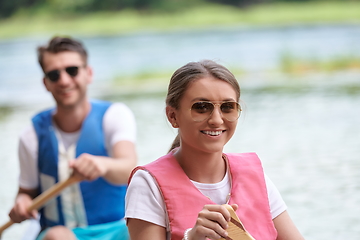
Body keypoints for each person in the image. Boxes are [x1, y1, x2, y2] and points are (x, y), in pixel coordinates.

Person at [125, 60, 305, 240]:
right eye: (201, 107)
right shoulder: (148, 183)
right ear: (173, 116)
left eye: (227, 107)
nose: (217, 120)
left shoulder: (254, 175)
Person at [8, 36, 137, 240]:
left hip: (117, 229)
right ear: (46, 83)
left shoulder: (115, 115)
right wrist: (22, 203)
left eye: (72, 70)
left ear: (89, 73)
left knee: (144, 228)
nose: (64, 80)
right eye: (54, 75)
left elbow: (129, 168)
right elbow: (26, 192)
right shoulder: (31, 135)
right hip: (60, 234)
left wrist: (103, 165)